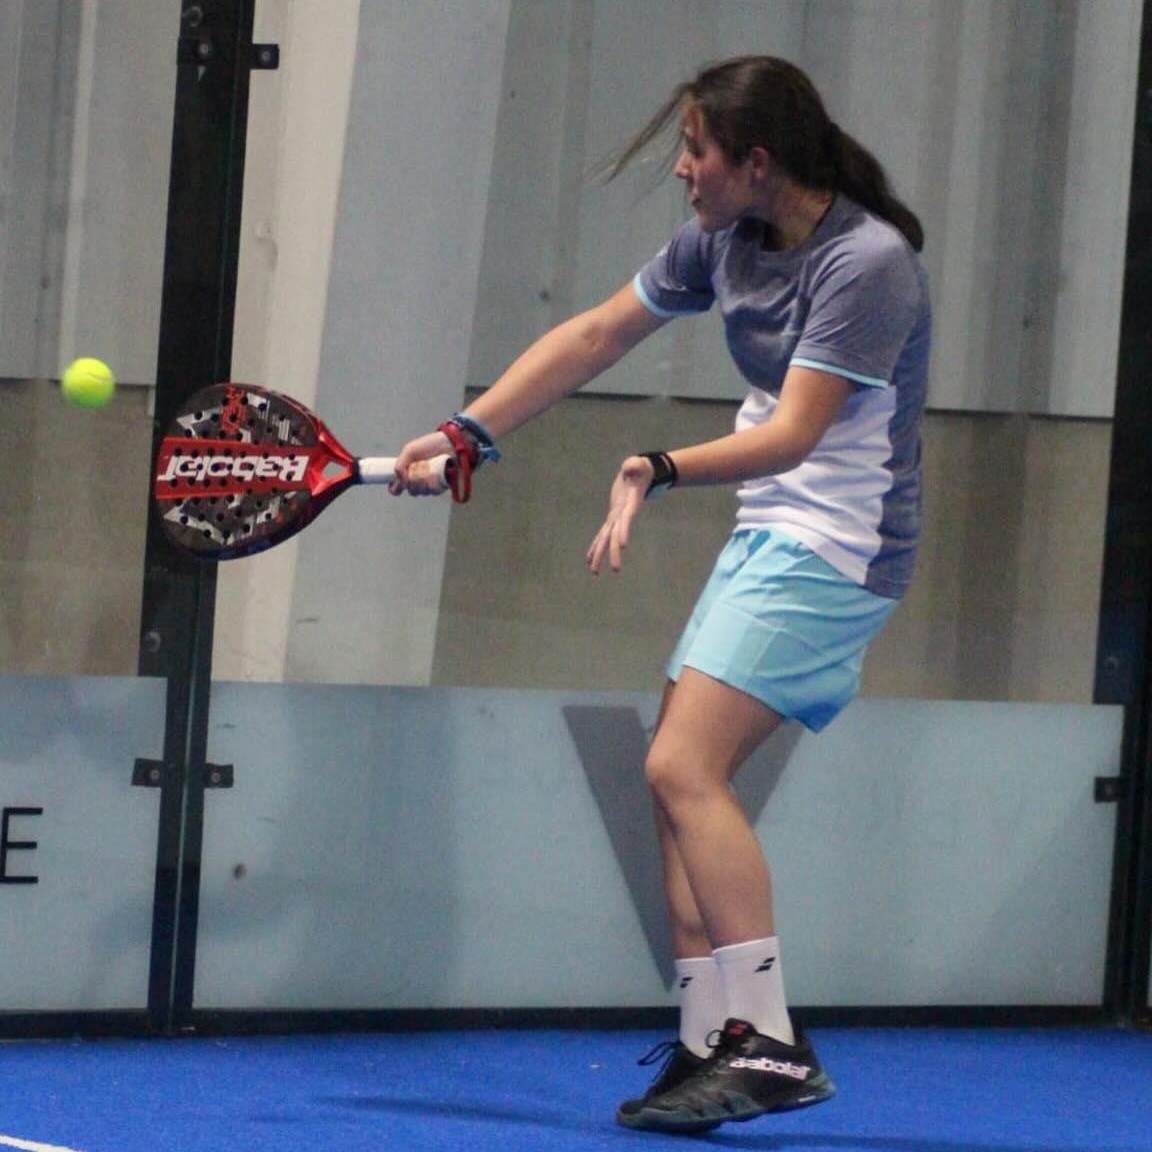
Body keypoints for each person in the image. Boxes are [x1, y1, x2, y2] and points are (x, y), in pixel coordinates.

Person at [392, 55, 931, 1135]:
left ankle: (768, 1040)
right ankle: (709, 1042)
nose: (683, 170)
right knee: (674, 785)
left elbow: (795, 434)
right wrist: (470, 432)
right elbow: (597, 333)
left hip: (839, 546)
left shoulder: (868, 264)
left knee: (682, 767)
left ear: (756, 162)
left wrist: (655, 466)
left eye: (696, 151)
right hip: (772, 534)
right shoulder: (724, 241)